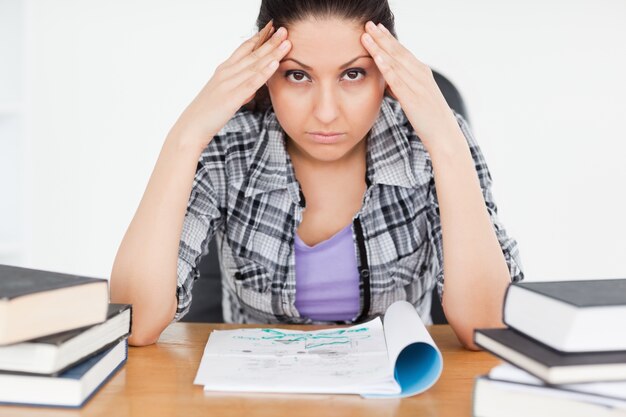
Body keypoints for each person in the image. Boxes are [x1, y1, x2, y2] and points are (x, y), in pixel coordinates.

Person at [110, 0, 523, 350]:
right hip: (254, 401)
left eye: (353, 74)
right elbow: (134, 323)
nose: (326, 112)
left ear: (388, 74)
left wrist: (447, 146)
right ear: (263, 76)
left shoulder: (430, 145)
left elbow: (487, 325)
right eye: (297, 75)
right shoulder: (227, 150)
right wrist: (186, 137)